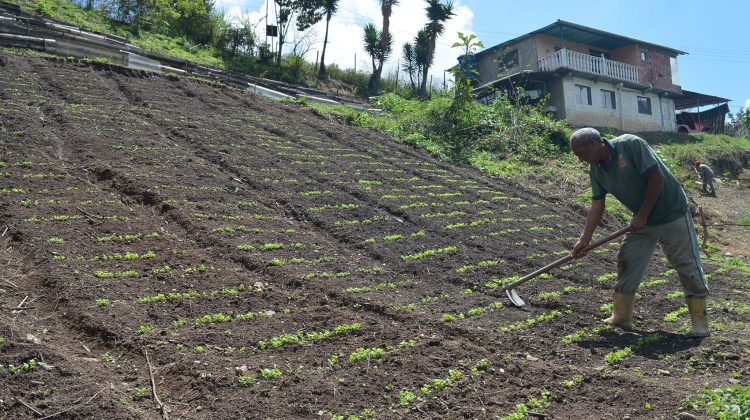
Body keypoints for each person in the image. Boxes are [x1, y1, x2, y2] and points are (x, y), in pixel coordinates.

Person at [569, 128, 709, 337]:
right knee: (628, 258)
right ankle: (622, 316)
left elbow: (656, 178)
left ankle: (700, 323)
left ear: (593, 143)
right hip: (642, 219)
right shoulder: (596, 170)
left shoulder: (630, 144)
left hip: (671, 212)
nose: (580, 159)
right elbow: (597, 205)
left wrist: (642, 215)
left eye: (581, 153)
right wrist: (584, 239)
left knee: (685, 263)